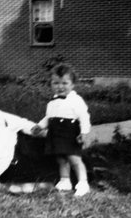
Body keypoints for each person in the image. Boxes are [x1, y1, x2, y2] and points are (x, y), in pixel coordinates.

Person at [32, 63, 91, 197]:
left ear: (72, 84)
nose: (60, 87)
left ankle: (83, 183)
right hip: (56, 133)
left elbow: (84, 117)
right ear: (51, 84)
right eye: (56, 83)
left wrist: (84, 132)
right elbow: (49, 117)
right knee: (61, 158)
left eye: (64, 83)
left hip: (70, 133)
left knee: (74, 159)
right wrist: (40, 126)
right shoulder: (52, 102)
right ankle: (65, 181)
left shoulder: (76, 100)